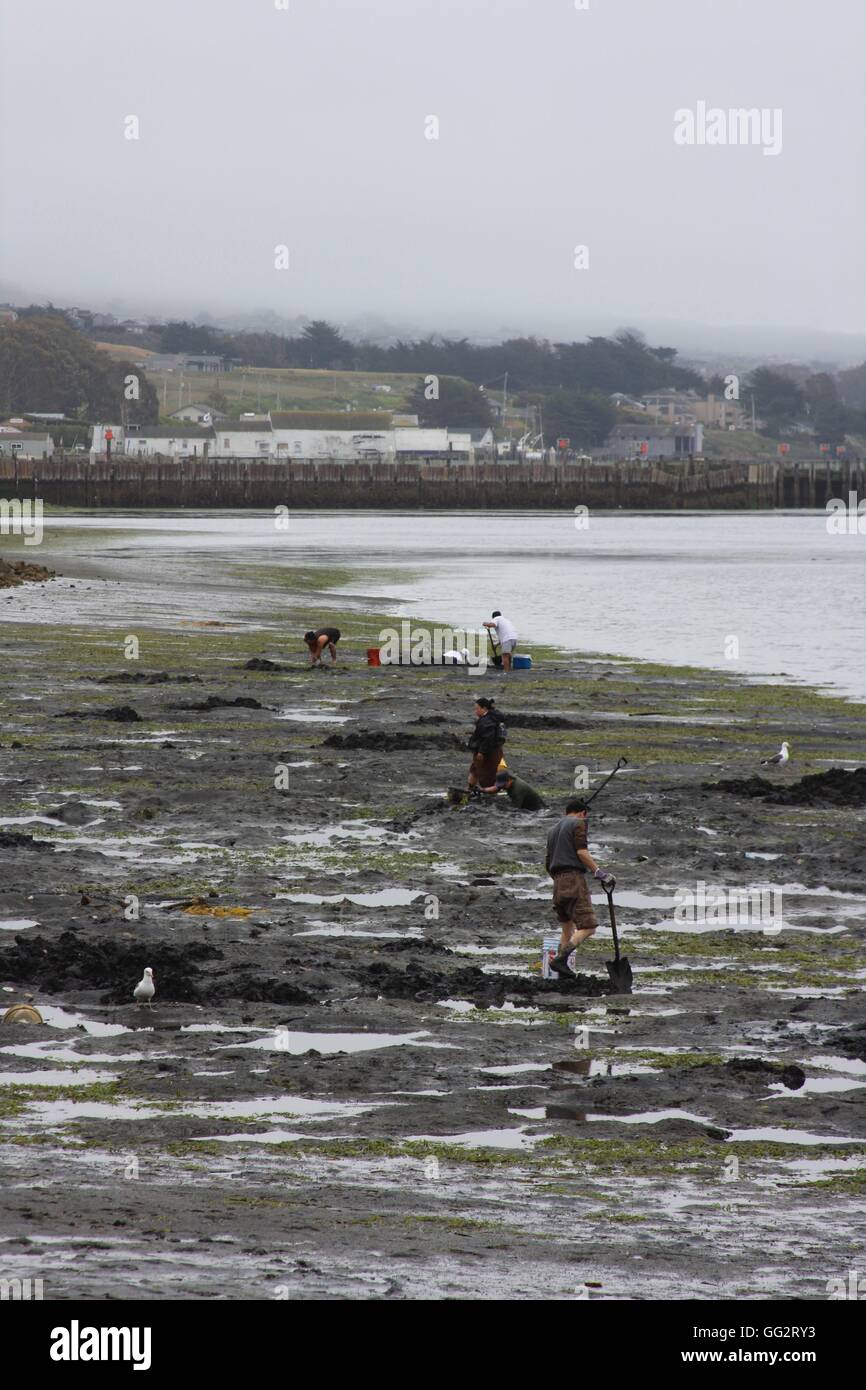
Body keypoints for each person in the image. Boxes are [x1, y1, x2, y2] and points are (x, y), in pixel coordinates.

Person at [545, 797, 615, 976]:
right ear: (583, 813)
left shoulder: (553, 830)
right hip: (573, 879)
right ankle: (560, 960)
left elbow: (548, 862)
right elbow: (582, 852)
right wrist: (599, 873)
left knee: (567, 928)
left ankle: (561, 973)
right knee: (589, 926)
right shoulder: (579, 823)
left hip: (557, 882)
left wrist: (559, 879)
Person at [467, 696, 506, 791]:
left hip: (488, 753)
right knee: (475, 770)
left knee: (486, 775)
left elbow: (488, 738)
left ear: (484, 708)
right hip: (494, 750)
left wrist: (481, 752)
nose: (475, 711)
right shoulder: (493, 717)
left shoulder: (487, 721)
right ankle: (469, 789)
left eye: (477, 709)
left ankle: (488, 794)